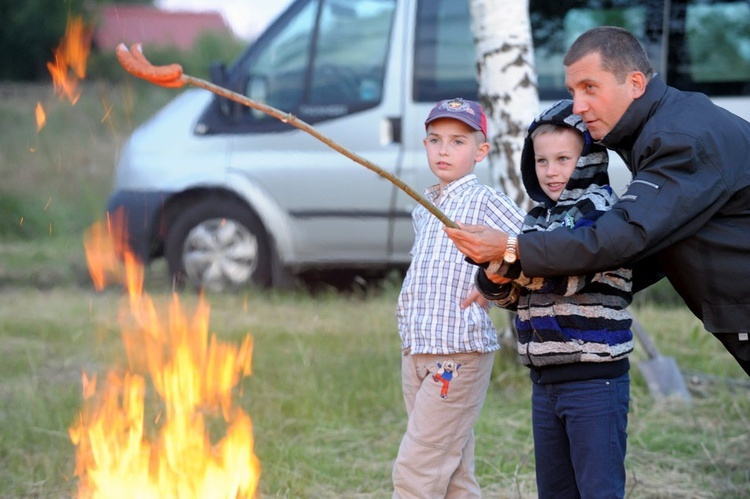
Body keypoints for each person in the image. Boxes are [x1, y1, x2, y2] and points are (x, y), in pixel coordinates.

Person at [444, 26, 750, 377]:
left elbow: (621, 237)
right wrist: (509, 277)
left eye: (590, 87)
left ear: (635, 83)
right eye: (573, 91)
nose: (578, 106)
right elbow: (646, 247)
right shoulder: (665, 124)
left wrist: (511, 249)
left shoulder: (678, 140)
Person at [476, 99, 633, 498]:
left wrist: (507, 256)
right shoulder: (534, 219)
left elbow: (564, 276)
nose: (551, 171)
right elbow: (520, 298)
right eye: (542, 160)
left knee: (597, 489)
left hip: (594, 377)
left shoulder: (601, 213)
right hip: (546, 379)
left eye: (564, 158)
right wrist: (491, 277)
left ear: (589, 158)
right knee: (555, 489)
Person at [393, 97, 524, 498]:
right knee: (451, 471)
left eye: (457, 141)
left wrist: (495, 277)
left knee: (417, 468)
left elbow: (530, 245)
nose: (444, 150)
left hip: (457, 352)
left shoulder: (485, 201)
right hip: (417, 348)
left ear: (480, 151)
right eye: (435, 140)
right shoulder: (427, 206)